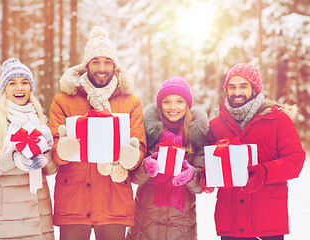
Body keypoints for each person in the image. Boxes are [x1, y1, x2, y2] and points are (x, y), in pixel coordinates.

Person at [48, 26, 147, 240]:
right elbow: (53, 148)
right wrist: (61, 149)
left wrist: (133, 156)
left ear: (115, 66)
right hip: (74, 199)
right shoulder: (63, 100)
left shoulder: (130, 103)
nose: (102, 68)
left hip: (114, 199)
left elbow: (139, 145)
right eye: (96, 61)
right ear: (86, 65)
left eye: (107, 62)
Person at [205, 63, 306, 240]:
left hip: (268, 223)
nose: (237, 92)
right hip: (231, 223)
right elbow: (209, 164)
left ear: (255, 89)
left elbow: (295, 161)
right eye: (232, 86)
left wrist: (264, 173)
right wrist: (207, 176)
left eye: (243, 86)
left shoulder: (278, 119)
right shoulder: (216, 125)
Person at [0, 58, 57, 240]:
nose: (19, 88)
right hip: (8, 221)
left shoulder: (40, 120)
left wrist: (44, 151)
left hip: (39, 220)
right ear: (4, 89)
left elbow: (51, 170)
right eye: (12, 83)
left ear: (30, 88)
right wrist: (14, 157)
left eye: (24, 82)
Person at [126, 77, 209, 240]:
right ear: (160, 105)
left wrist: (190, 175)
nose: (173, 107)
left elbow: (201, 185)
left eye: (179, 101)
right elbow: (132, 176)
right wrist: (146, 167)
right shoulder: (145, 131)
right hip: (145, 223)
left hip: (181, 225)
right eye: (166, 101)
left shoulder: (197, 136)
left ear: (187, 105)